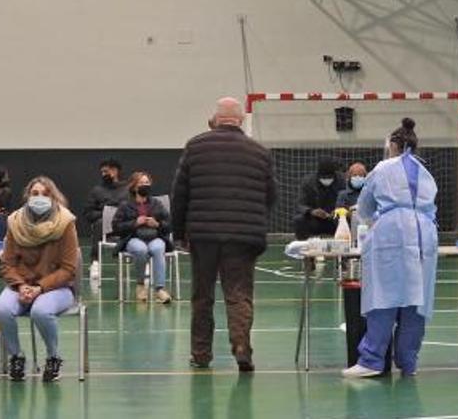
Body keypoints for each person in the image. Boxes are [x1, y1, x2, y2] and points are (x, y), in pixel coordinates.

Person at [172, 97, 276, 372]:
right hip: (243, 237)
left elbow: (180, 194)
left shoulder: (195, 146)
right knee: (238, 294)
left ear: (215, 119)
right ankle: (241, 347)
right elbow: (271, 196)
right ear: (241, 120)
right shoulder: (260, 152)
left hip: (203, 235)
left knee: (202, 295)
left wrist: (178, 232)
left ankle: (201, 354)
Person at [342, 118, 438, 378]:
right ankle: (408, 362)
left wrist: (374, 219)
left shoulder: (383, 168)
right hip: (425, 234)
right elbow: (431, 208)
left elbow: (364, 206)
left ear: (393, 145)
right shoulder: (426, 172)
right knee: (416, 300)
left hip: (391, 234)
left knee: (383, 297)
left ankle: (372, 360)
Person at [0, 176, 80, 382]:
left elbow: (69, 269)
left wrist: (40, 288)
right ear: (27, 197)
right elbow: (7, 264)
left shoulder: (66, 223)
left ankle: (53, 357)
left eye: (45, 193)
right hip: (21, 285)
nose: (39, 197)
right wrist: (22, 285)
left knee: (40, 311)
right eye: (35, 194)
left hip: (57, 288)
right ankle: (16, 356)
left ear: (53, 197)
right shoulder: (15, 223)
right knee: (2, 310)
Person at [111, 171, 173, 304]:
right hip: (133, 238)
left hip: (155, 236)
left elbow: (169, 224)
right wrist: (135, 223)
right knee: (140, 250)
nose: (145, 185)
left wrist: (157, 224)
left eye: (147, 183)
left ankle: (160, 289)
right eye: (142, 183)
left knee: (158, 248)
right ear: (134, 187)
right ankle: (140, 285)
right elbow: (116, 226)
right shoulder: (125, 205)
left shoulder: (157, 203)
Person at [83, 158, 130, 277]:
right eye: (102, 172)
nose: (103, 174)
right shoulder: (97, 191)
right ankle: (95, 262)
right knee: (99, 223)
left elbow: (134, 208)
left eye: (106, 171)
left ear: (115, 171)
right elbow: (88, 213)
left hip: (124, 226)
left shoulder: (128, 190)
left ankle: (144, 263)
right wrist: (105, 213)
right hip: (104, 227)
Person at [296, 158, 345, 240]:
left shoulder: (342, 181)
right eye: (324, 177)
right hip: (315, 220)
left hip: (336, 220)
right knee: (299, 220)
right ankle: (303, 245)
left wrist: (339, 211)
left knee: (350, 219)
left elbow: (348, 201)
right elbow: (300, 204)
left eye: (329, 176)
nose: (326, 179)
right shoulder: (308, 182)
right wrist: (312, 211)